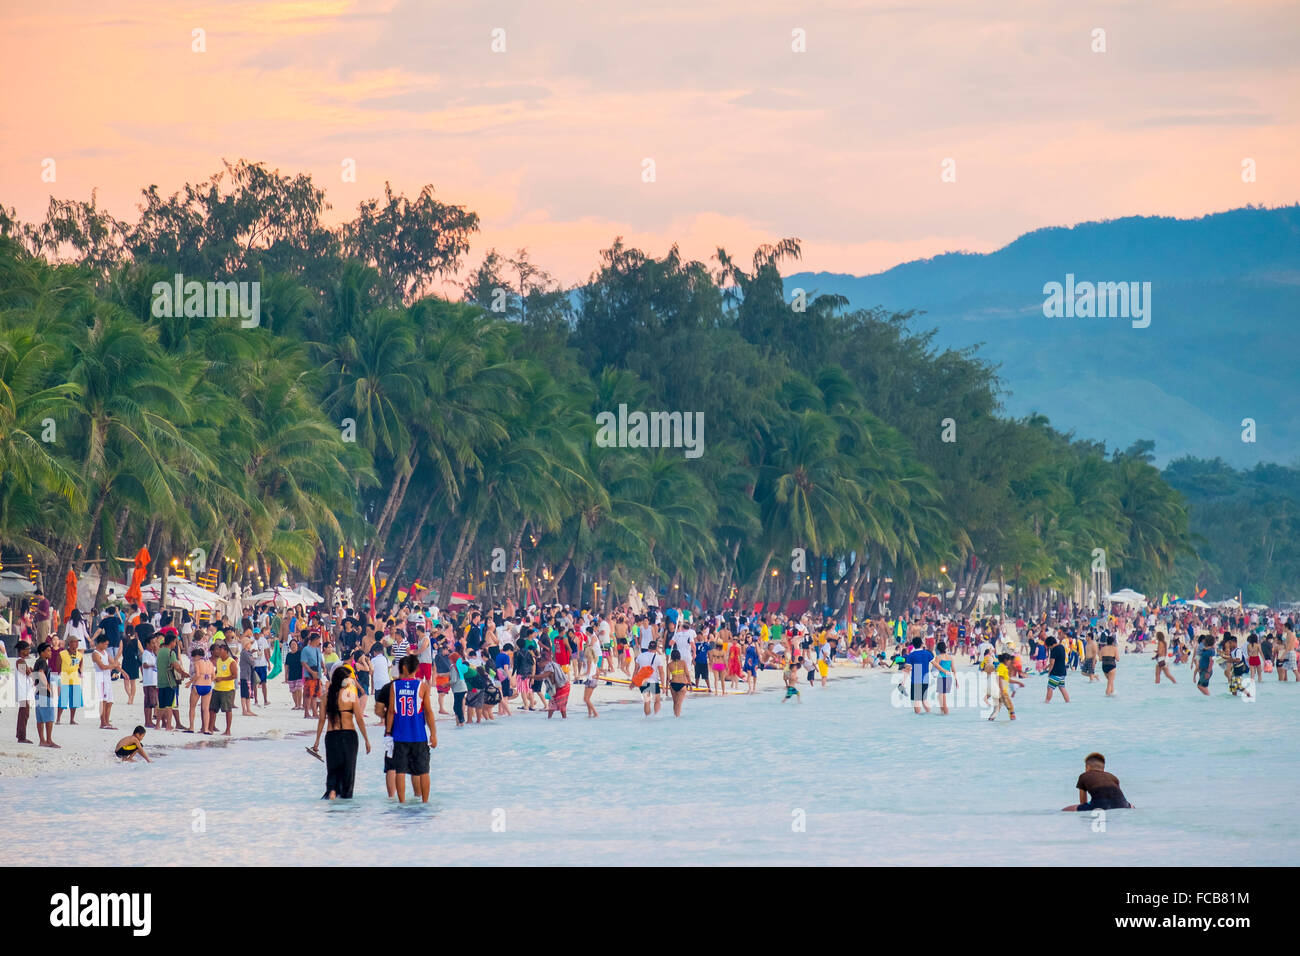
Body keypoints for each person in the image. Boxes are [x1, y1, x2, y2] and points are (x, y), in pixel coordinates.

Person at [310, 666, 371, 799]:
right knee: (348, 770)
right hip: (349, 736)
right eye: (349, 678)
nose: (350, 680)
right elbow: (359, 720)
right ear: (343, 680)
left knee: (332, 769)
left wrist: (316, 741)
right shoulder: (352, 696)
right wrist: (366, 739)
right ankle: (346, 799)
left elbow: (321, 720)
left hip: (332, 736)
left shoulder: (326, 697)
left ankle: (332, 791)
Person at [386, 655, 437, 803]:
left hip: (400, 735)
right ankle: (425, 802)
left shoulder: (395, 686)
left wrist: (388, 733)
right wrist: (433, 734)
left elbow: (390, 711)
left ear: (403, 668)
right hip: (419, 735)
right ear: (417, 668)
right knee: (423, 771)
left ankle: (401, 802)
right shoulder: (422, 686)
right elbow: (428, 711)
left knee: (400, 771)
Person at [1061, 752, 1133, 811]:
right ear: (1103, 768)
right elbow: (1119, 795)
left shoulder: (1084, 776)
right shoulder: (1113, 777)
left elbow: (1083, 802)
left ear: (1088, 767)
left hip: (1100, 805)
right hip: (1122, 804)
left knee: (1065, 810)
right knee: (1131, 806)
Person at [92, 634, 120, 729]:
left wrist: (123, 672)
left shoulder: (105, 652)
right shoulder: (95, 654)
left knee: (109, 701)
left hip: (107, 678)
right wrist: (113, 666)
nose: (106, 646)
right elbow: (102, 666)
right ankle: (103, 722)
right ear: (100, 643)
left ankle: (107, 721)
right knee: (103, 701)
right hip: (100, 678)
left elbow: (113, 663)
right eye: (105, 644)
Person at [32, 642, 57, 747]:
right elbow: (41, 673)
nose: (50, 652)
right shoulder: (42, 662)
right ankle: (49, 740)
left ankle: (42, 740)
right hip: (43, 692)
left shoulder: (37, 662)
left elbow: (35, 675)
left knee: (41, 718)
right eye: (48, 650)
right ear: (42, 652)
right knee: (49, 717)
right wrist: (47, 685)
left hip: (38, 691)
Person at [210, 642, 238, 736]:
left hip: (227, 689)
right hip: (217, 688)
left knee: (227, 710)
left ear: (225, 651)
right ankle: (210, 728)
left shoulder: (231, 662)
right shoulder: (218, 660)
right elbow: (217, 671)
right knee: (212, 709)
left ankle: (228, 730)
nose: (218, 651)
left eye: (220, 650)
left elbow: (235, 675)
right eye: (217, 650)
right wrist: (214, 676)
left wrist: (222, 678)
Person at [633, 639, 666, 717]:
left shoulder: (640, 656)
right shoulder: (658, 657)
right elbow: (661, 672)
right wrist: (663, 686)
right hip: (654, 681)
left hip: (643, 681)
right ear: (656, 648)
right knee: (657, 700)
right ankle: (655, 716)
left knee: (647, 701)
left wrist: (633, 682)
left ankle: (647, 718)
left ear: (648, 647)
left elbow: (636, 670)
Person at [185, 646, 214, 733]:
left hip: (198, 685)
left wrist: (190, 682)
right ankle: (205, 729)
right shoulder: (210, 663)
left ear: (197, 656)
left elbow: (197, 675)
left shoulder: (197, 662)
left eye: (193, 657)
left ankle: (191, 727)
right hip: (208, 687)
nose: (193, 659)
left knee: (192, 707)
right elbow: (213, 676)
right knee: (206, 709)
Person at [56, 635, 84, 725]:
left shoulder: (80, 655)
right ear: (69, 643)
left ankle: (72, 719)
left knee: (75, 700)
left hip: (75, 679)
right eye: (74, 642)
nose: (76, 644)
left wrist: (79, 672)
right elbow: (58, 666)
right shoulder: (62, 654)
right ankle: (58, 719)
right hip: (65, 679)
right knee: (63, 700)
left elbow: (80, 666)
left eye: (77, 642)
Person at [904, 636, 933, 715]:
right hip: (925, 679)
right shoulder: (927, 653)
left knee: (917, 699)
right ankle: (929, 714)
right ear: (921, 644)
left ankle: (917, 717)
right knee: (924, 699)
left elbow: (907, 669)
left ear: (913, 645)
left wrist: (903, 681)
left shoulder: (911, 655)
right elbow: (935, 664)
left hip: (916, 678)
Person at [988, 653, 1021, 721]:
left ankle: (991, 720)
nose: (1010, 662)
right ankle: (1013, 722)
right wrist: (1001, 690)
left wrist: (1018, 682)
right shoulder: (1001, 667)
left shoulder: (1003, 667)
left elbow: (1007, 680)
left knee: (997, 709)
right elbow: (999, 678)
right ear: (1006, 660)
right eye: (1009, 661)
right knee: (1010, 707)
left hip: (998, 691)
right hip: (1001, 691)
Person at [13, 641, 34, 743]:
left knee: (24, 714)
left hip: (24, 692)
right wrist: (30, 670)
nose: (29, 651)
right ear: (22, 651)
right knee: (24, 714)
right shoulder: (20, 661)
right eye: (27, 649)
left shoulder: (20, 661)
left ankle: (20, 735)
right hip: (23, 692)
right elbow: (27, 673)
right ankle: (21, 737)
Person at [299, 632, 322, 720]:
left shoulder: (317, 649)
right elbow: (303, 662)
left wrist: (323, 667)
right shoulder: (306, 649)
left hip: (317, 673)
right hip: (310, 674)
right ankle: (307, 712)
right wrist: (311, 672)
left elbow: (319, 660)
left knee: (315, 694)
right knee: (308, 693)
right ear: (314, 640)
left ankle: (315, 712)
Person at [1043, 635, 1070, 703]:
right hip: (1062, 672)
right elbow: (1058, 660)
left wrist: (1049, 672)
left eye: (1048, 646)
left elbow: (1052, 662)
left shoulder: (1054, 650)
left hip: (1056, 672)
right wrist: (1046, 667)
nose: (1049, 648)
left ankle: (1046, 702)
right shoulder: (1061, 647)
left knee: (1050, 688)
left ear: (1050, 644)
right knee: (1062, 688)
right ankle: (1068, 702)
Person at [933, 640, 957, 715]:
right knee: (943, 698)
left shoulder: (938, 657)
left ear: (938, 649)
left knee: (942, 699)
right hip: (949, 678)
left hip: (941, 677)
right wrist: (956, 680)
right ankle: (943, 713)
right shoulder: (950, 657)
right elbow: (953, 669)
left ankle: (945, 713)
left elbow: (936, 667)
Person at [665, 649, 690, 717]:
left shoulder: (669, 665)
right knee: (679, 703)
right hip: (682, 685)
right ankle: (677, 718)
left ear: (672, 656)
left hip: (673, 685)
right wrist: (690, 684)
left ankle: (675, 716)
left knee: (675, 702)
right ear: (679, 655)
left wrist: (666, 689)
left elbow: (667, 678)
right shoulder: (683, 662)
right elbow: (687, 674)